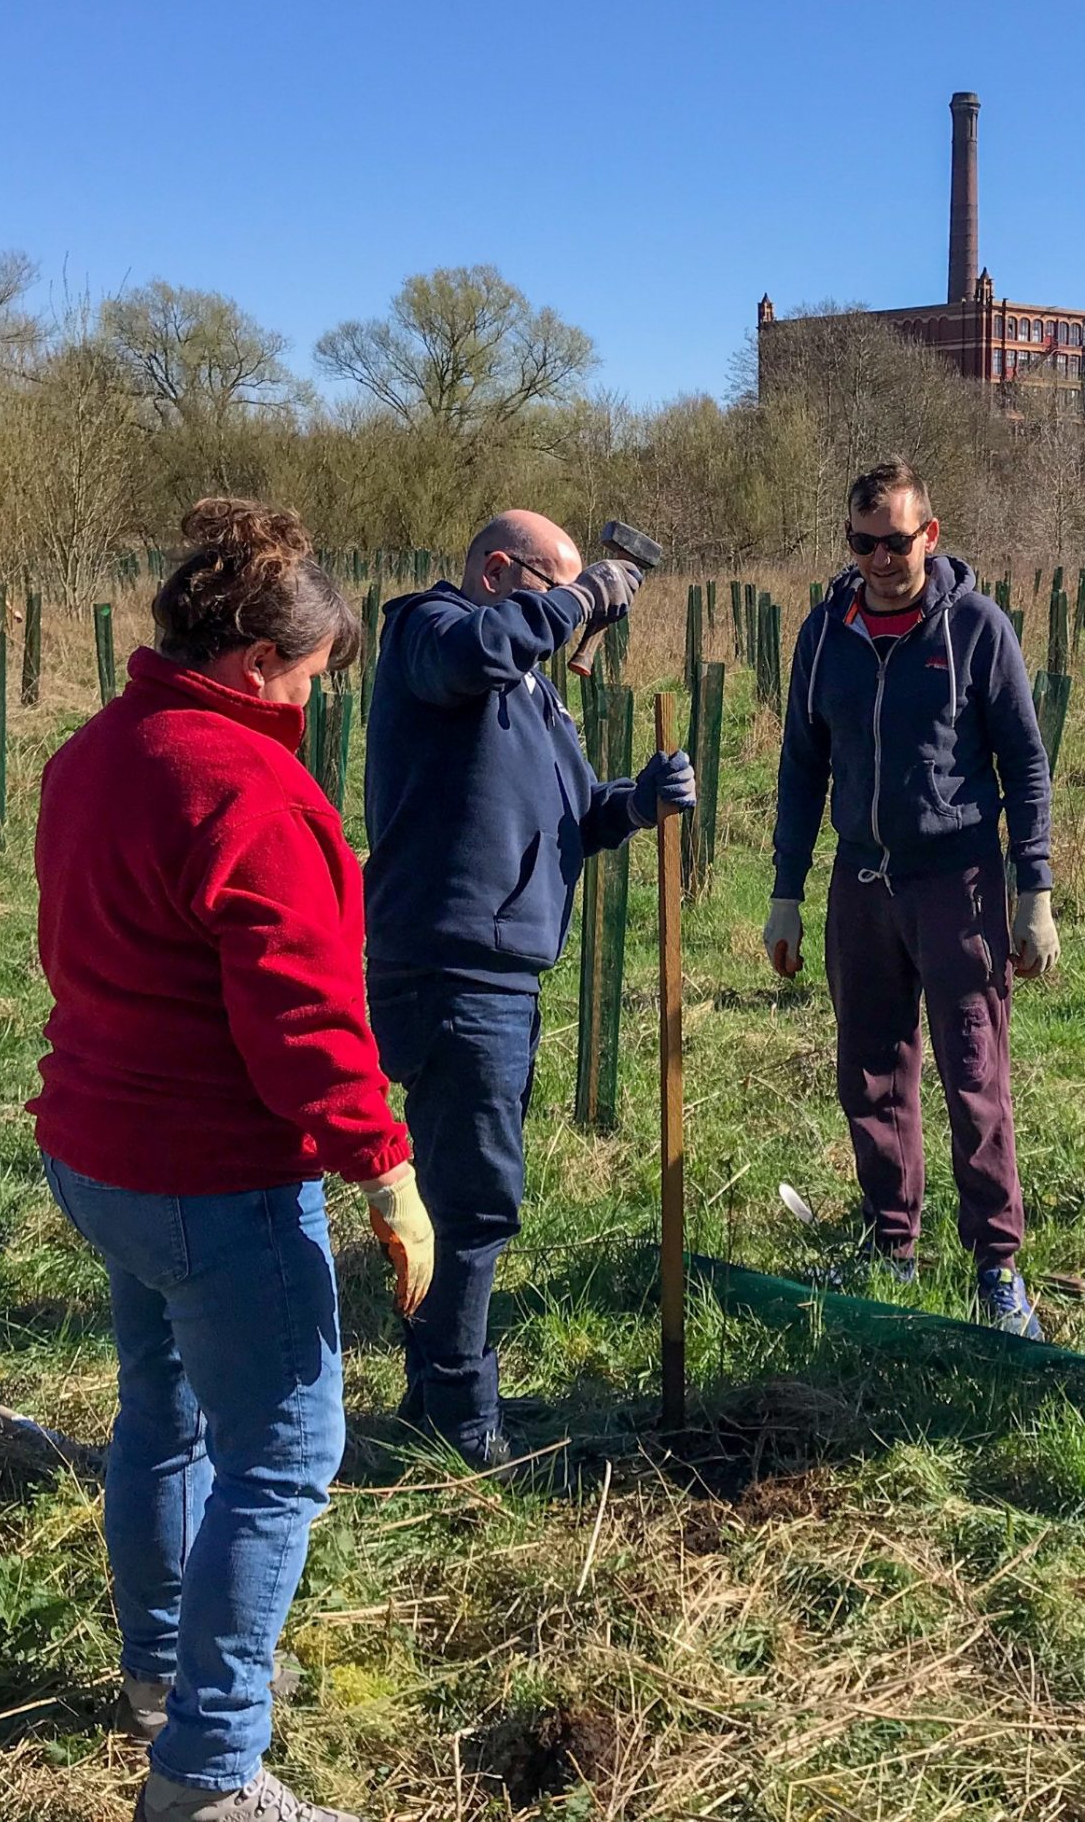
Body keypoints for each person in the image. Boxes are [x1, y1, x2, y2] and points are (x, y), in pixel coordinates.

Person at [30, 497, 434, 1822]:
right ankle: (206, 1772)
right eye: (316, 675)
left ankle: (161, 1667)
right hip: (209, 1180)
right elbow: (306, 1023)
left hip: (98, 1154)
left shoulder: (98, 752)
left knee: (163, 1409)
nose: (319, 699)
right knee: (286, 1450)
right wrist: (384, 1170)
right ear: (265, 658)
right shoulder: (249, 788)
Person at [363, 510, 694, 1468]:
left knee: (467, 1186)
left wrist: (633, 803)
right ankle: (458, 1419)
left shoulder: (534, 695)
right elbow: (475, 656)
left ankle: (437, 1389)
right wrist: (587, 595)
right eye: (558, 591)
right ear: (500, 574)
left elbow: (568, 818)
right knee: (476, 1198)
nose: (580, 618)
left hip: (501, 967)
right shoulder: (427, 632)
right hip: (452, 967)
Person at [766, 462, 1058, 1335]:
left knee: (975, 1076)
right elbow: (800, 765)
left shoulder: (975, 628)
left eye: (898, 540)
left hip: (959, 882)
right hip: (861, 882)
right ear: (848, 544)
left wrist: (1034, 891)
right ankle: (892, 1240)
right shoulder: (825, 634)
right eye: (865, 543)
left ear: (930, 534)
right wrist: (786, 890)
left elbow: (1025, 762)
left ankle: (998, 1266)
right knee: (869, 1069)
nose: (883, 558)